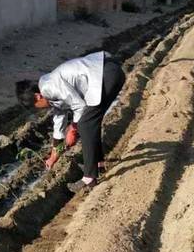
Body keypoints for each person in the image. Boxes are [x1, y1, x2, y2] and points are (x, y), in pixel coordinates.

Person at [15, 51, 125, 193]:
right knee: (90, 123)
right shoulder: (49, 91)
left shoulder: (49, 87)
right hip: (109, 72)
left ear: (37, 97)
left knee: (85, 124)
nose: (39, 110)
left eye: (36, 107)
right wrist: (54, 155)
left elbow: (79, 106)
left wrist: (73, 129)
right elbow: (59, 120)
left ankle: (89, 178)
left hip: (107, 74)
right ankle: (98, 164)